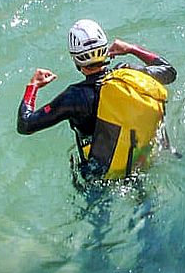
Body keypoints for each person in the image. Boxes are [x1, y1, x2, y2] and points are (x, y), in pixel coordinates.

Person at [17, 19, 176, 181]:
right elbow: (169, 71)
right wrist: (132, 49)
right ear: (105, 49)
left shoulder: (74, 97)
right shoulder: (128, 75)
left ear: (75, 59)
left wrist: (33, 85)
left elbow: (25, 124)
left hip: (99, 175)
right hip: (138, 159)